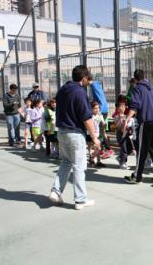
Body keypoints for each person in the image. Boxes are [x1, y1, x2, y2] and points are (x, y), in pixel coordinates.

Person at [48, 65, 100, 210]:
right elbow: (86, 117)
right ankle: (80, 199)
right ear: (83, 78)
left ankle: (56, 191)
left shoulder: (63, 89)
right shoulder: (80, 92)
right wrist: (95, 138)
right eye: (87, 79)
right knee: (79, 166)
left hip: (62, 132)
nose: (88, 82)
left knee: (66, 162)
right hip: (75, 133)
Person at [123, 69, 153, 184]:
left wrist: (127, 119)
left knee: (142, 150)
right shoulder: (151, 89)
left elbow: (135, 106)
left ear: (135, 79)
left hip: (146, 122)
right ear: (144, 76)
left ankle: (137, 177)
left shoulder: (137, 88)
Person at [114, 100, 135, 170]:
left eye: (124, 106)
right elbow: (116, 126)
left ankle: (120, 157)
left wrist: (129, 127)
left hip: (126, 134)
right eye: (121, 106)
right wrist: (120, 120)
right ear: (117, 108)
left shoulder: (127, 116)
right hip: (120, 134)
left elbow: (129, 126)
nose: (122, 108)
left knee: (130, 148)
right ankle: (122, 163)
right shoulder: (116, 116)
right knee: (124, 148)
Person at [87, 101, 106, 168]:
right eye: (95, 108)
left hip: (98, 134)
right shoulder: (89, 116)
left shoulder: (100, 115)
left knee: (98, 148)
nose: (97, 109)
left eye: (98, 108)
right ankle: (92, 159)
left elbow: (103, 125)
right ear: (91, 109)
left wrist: (104, 124)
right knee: (95, 147)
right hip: (91, 134)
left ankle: (96, 160)